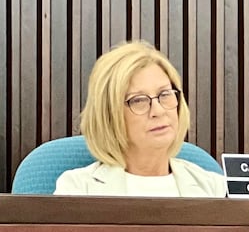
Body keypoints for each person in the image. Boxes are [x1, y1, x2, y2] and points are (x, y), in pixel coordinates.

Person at [54, 41, 226, 197]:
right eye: (139, 100)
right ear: (109, 115)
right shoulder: (77, 189)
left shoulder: (214, 188)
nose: (158, 111)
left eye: (165, 94)